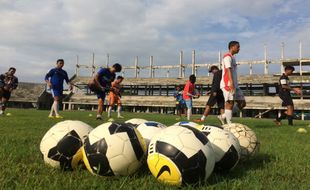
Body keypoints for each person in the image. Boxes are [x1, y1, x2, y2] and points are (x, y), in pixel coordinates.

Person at [220, 41, 246, 124]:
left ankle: (223, 116)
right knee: (230, 103)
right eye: (238, 47)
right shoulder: (227, 57)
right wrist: (231, 83)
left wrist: (234, 84)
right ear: (232, 47)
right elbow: (228, 70)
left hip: (235, 85)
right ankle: (229, 125)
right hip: (227, 84)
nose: (239, 48)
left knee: (242, 103)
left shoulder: (233, 57)